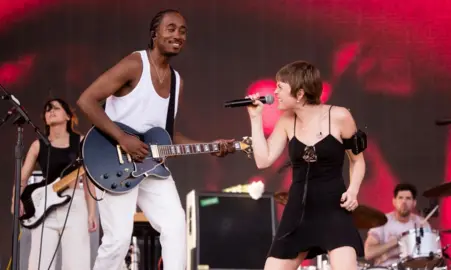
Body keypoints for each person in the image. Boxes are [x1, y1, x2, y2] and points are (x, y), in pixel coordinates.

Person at [76, 9, 234, 270]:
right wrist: (122, 138)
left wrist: (210, 146)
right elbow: (86, 100)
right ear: (154, 34)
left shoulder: (176, 81)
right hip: (115, 162)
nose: (178, 35)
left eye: (183, 31)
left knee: (175, 226)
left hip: (152, 167)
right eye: (171, 29)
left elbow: (168, 135)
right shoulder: (135, 63)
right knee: (117, 240)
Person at [246, 60, 366, 270]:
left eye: (280, 87)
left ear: (299, 93)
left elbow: (357, 161)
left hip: (333, 209)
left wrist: (353, 190)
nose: (275, 93)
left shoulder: (339, 116)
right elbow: (263, 160)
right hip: (298, 210)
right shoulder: (285, 121)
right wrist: (256, 119)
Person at [10, 98, 97, 270]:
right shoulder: (38, 145)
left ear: (67, 116)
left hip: (74, 205)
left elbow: (89, 180)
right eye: (48, 109)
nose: (51, 111)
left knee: (77, 264)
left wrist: (91, 212)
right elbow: (22, 178)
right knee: (38, 264)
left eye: (56, 108)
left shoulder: (80, 142)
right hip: (44, 207)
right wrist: (15, 199)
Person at [364, 183, 431, 267]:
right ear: (394, 201)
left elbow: (430, 256)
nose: (404, 202)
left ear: (414, 203)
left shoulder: (422, 223)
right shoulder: (381, 222)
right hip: (386, 267)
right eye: (400, 198)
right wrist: (395, 242)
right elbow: (368, 253)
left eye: (408, 198)